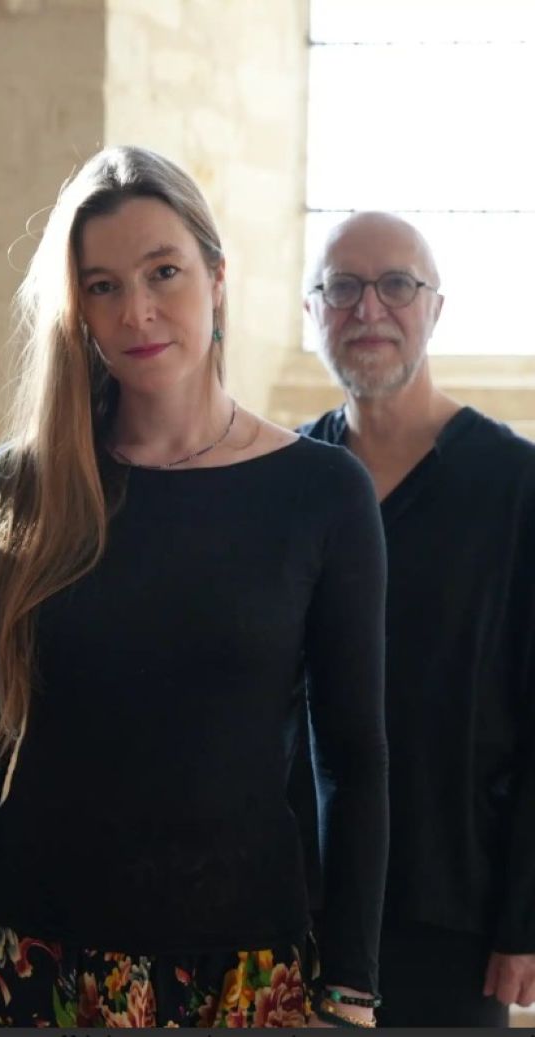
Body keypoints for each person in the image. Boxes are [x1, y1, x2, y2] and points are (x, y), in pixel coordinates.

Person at [0, 145, 388, 1029]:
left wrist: (351, 989)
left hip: (249, 971)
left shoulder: (322, 492)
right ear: (78, 311)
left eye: (163, 271)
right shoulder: (24, 485)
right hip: (38, 960)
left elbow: (352, 760)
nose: (136, 310)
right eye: (102, 286)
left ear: (216, 276)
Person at [301, 210, 535, 1027]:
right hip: (303, 899)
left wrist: (524, 915)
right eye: (342, 288)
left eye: (397, 284)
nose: (369, 308)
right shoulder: (288, 481)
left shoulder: (516, 485)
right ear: (313, 312)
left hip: (454, 906)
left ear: (436, 307)